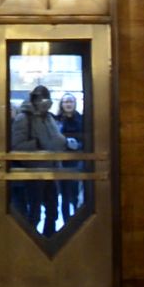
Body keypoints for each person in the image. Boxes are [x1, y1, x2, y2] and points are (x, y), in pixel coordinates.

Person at [10, 85, 78, 236]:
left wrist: (66, 143)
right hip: (33, 172)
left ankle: (49, 245)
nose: (45, 102)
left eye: (47, 99)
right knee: (34, 214)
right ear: (34, 99)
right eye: (41, 99)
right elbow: (16, 146)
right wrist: (39, 144)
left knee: (53, 211)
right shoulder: (24, 118)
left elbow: (56, 139)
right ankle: (29, 246)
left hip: (51, 171)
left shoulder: (48, 117)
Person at [54, 93, 84, 222]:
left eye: (70, 101)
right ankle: (66, 222)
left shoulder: (81, 119)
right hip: (62, 161)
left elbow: (87, 137)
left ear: (74, 103)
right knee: (64, 195)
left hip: (78, 160)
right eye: (65, 102)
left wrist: (78, 145)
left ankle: (77, 220)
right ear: (61, 104)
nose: (68, 104)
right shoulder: (57, 120)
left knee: (76, 194)